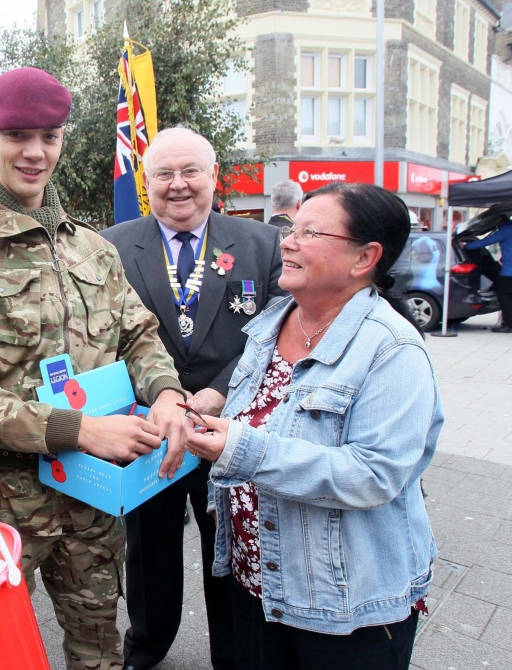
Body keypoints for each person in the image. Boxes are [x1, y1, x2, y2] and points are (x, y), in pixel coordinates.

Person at [0, 67, 191, 670]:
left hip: (95, 500)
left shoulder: (92, 249)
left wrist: (168, 393)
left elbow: (138, 334)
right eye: (19, 135)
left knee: (99, 648)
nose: (36, 152)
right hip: (3, 504)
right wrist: (83, 430)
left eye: (50, 135)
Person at [186, 182, 442, 670]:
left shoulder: (392, 350)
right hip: (256, 585)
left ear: (364, 257)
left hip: (341, 608)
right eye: (291, 227)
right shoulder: (271, 323)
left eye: (310, 231)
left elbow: (373, 474)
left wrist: (240, 447)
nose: (286, 241)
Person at [101, 127, 284, 670]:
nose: (178, 186)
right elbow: (105, 336)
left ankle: (234, 655)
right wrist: (155, 395)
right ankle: (148, 646)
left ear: (213, 176)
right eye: (164, 174)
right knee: (149, 552)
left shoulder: (259, 244)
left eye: (190, 172)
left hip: (226, 428)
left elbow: (275, 331)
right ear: (146, 182)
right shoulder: (110, 246)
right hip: (148, 428)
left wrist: (220, 391)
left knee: (226, 552)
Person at [464, 216, 512, 333]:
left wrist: (466, 246)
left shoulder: (506, 230)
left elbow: (486, 242)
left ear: (501, 223)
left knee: (505, 296)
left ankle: (510, 325)